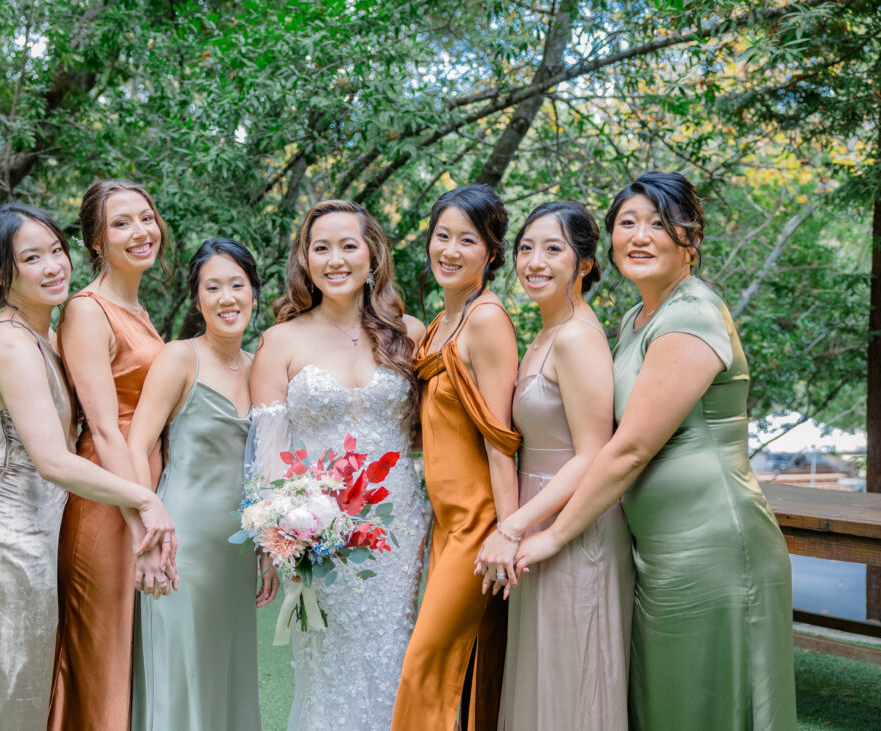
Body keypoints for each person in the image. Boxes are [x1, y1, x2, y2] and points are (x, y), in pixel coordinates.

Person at [514, 172, 796, 730]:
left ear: (688, 240)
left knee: (705, 705)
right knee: (666, 705)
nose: (640, 236)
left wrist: (552, 534)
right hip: (657, 545)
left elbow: (630, 450)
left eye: (659, 224)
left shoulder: (691, 312)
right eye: (627, 223)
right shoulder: (636, 319)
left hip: (711, 542)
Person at [0, 203, 174, 731]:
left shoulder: (44, 336)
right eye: (32, 258)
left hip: (41, 528)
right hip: (5, 533)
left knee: (33, 687)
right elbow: (52, 459)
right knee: (4, 692)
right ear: (2, 274)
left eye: (56, 251)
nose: (53, 266)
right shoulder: (11, 346)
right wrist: (142, 497)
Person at [249, 199, 429, 731]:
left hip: (402, 530)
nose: (335, 258)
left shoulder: (410, 334)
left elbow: (437, 435)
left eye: (348, 245)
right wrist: (275, 539)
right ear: (304, 259)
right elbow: (268, 452)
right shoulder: (280, 341)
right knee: (329, 665)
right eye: (320, 247)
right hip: (319, 533)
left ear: (372, 254)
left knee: (398, 652)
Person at [474, 201, 633, 730]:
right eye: (525, 248)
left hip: (572, 524)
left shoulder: (578, 338)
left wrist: (513, 525)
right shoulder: (544, 332)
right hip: (535, 518)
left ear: (584, 264)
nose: (534, 262)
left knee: (571, 678)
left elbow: (593, 454)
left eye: (553, 249)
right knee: (539, 675)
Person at [127, 238, 280, 730]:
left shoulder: (262, 368)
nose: (226, 297)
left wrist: (268, 547)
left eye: (237, 285)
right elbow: (136, 447)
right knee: (183, 671)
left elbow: (265, 465)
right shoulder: (179, 358)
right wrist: (147, 529)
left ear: (254, 293)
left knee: (227, 671)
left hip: (237, 549)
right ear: (197, 300)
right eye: (212, 287)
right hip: (181, 541)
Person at [391, 184, 521, 731]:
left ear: (491, 253)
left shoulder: (487, 320)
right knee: (453, 669)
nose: (449, 250)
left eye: (466, 240)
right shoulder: (441, 323)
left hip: (477, 524)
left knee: (426, 664)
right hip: (442, 523)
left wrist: (508, 530)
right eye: (442, 236)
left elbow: (500, 438)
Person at [49, 180, 170, 730]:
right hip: (108, 503)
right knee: (101, 659)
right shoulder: (87, 311)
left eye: (146, 218)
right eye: (122, 223)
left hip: (142, 501)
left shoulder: (138, 308)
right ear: (96, 241)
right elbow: (102, 427)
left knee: (133, 658)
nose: (141, 231)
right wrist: (141, 516)